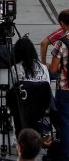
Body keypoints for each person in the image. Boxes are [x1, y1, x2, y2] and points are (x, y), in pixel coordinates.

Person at [48, 10, 69, 158]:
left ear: (62, 24)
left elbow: (54, 69)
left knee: (65, 123)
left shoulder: (61, 42)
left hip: (65, 89)